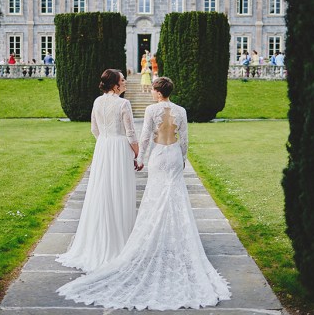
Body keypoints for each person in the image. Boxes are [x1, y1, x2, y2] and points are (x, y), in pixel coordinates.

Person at [57, 77, 231, 310]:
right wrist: (183, 158)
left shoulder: (150, 109)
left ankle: (150, 235)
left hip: (158, 156)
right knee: (176, 198)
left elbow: (145, 136)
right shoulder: (181, 110)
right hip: (174, 156)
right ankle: (177, 239)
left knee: (154, 198)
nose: (150, 92)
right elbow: (185, 139)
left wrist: (140, 157)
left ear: (159, 93)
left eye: (153, 90)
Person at [56, 69, 139, 272]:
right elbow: (130, 132)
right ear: (115, 85)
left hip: (103, 146)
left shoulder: (97, 102)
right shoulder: (123, 104)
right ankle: (121, 240)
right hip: (119, 148)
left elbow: (94, 129)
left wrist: (104, 142)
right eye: (122, 80)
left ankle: (100, 237)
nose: (125, 81)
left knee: (102, 191)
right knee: (120, 191)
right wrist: (137, 154)